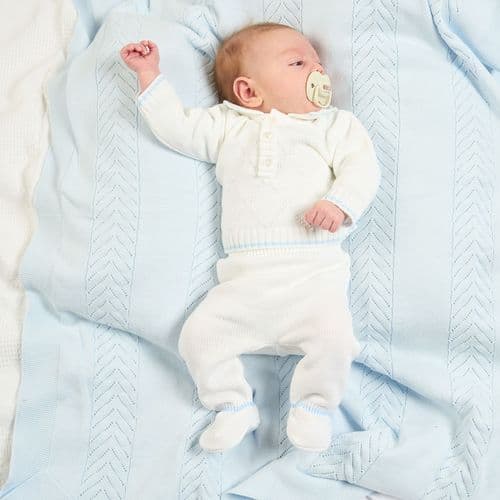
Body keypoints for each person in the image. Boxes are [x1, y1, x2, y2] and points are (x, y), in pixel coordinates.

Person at [120, 22, 380, 453]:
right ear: (248, 91)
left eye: (317, 62)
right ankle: (232, 405)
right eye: (298, 63)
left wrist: (339, 204)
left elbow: (363, 168)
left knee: (335, 339)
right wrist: (149, 75)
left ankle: (314, 407)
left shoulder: (334, 125)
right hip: (245, 280)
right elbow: (176, 127)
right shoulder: (229, 126)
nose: (318, 70)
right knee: (198, 336)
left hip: (314, 273)